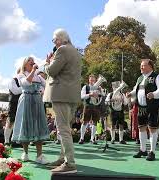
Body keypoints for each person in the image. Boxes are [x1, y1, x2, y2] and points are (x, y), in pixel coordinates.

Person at [43, 28, 81, 174]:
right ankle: (62, 159)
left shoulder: (62, 50)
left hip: (61, 94)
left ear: (60, 39)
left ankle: (69, 163)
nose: (54, 43)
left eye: (54, 40)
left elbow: (52, 71)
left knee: (63, 129)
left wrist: (47, 63)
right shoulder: (75, 52)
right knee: (64, 128)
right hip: (71, 95)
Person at [11, 56, 49, 164]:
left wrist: (42, 90)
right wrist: (33, 71)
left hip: (37, 100)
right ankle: (25, 153)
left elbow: (46, 84)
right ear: (24, 64)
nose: (32, 62)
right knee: (25, 125)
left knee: (38, 125)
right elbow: (25, 83)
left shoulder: (38, 76)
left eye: (33, 61)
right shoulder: (21, 74)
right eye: (30, 61)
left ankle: (39, 155)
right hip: (26, 99)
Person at [127, 59, 159, 161]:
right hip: (141, 107)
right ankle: (143, 150)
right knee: (141, 128)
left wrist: (154, 94)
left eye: (143, 66)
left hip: (153, 107)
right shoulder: (140, 78)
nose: (141, 67)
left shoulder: (157, 76)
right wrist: (131, 93)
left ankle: (152, 152)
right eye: (141, 66)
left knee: (152, 129)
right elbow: (136, 89)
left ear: (150, 66)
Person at [79, 75, 103, 144]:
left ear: (95, 80)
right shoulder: (85, 87)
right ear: (89, 80)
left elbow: (102, 96)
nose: (92, 81)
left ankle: (92, 139)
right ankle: (81, 138)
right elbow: (82, 96)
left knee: (95, 122)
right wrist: (90, 95)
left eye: (93, 80)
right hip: (88, 106)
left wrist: (101, 91)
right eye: (91, 80)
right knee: (85, 122)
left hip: (96, 106)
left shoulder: (98, 87)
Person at [4, 68, 23, 145]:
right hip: (14, 104)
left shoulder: (26, 81)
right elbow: (15, 91)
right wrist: (26, 87)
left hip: (22, 103)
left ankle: (18, 140)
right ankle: (7, 141)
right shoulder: (13, 80)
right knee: (10, 122)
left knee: (20, 123)